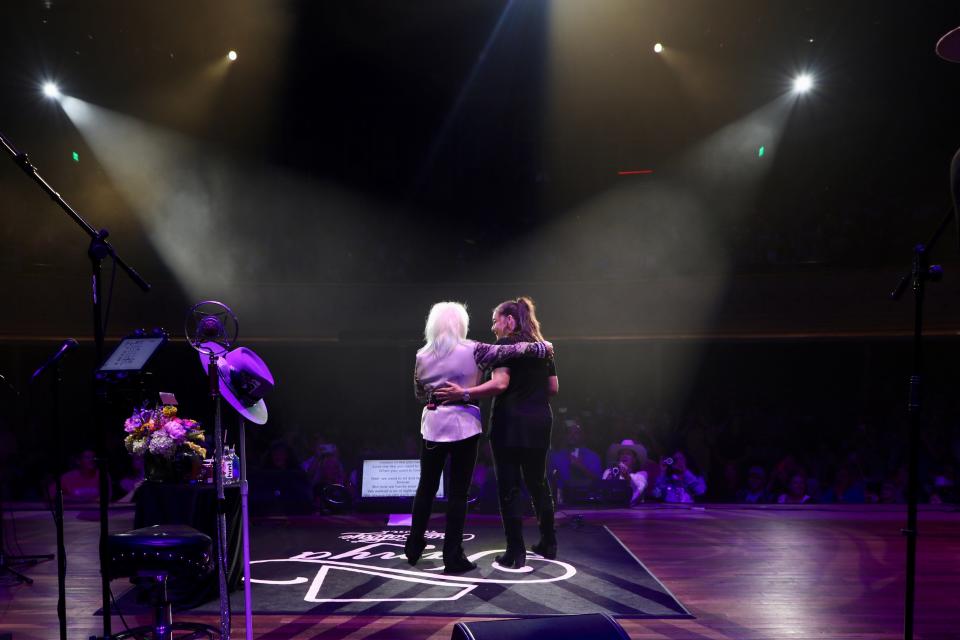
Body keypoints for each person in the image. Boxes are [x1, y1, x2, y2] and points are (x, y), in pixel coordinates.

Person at [408, 301, 552, 573]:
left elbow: (419, 393)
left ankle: (414, 543)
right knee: (458, 493)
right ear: (460, 323)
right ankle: (452, 556)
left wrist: (437, 393)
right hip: (464, 424)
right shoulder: (474, 349)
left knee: (426, 486)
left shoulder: (422, 354)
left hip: (433, 423)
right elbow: (513, 349)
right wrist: (542, 347)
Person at [549, 421, 602, 505]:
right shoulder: (556, 457)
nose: (572, 435)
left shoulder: (593, 456)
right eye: (569, 432)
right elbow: (550, 481)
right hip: (562, 504)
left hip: (587, 504)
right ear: (565, 436)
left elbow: (599, 481)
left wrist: (581, 467)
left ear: (583, 435)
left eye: (576, 433)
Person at [601, 440, 648, 506]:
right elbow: (603, 495)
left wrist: (626, 476)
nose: (624, 456)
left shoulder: (642, 474)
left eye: (628, 454)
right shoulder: (609, 471)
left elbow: (638, 491)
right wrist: (608, 483)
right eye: (622, 454)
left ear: (634, 459)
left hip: (634, 514)